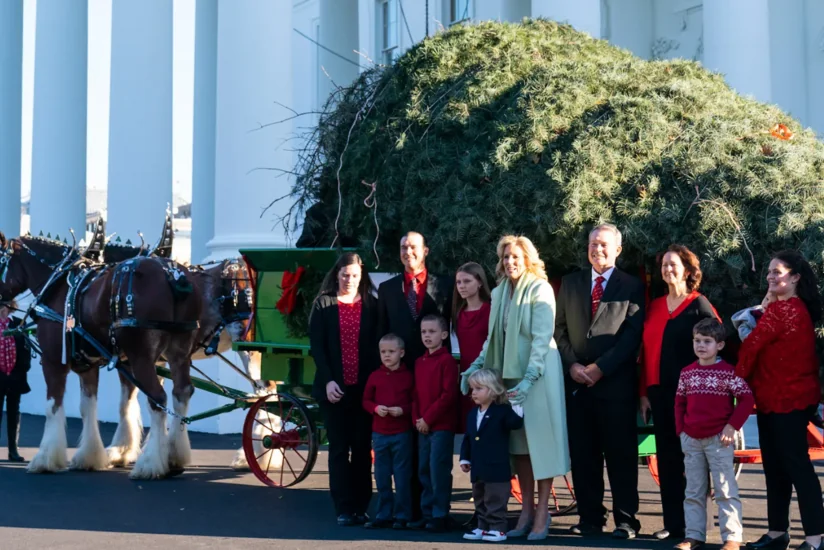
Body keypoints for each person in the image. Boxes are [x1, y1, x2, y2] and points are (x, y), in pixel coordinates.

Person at [461, 235, 570, 541]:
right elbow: (493, 339)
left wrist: (530, 377)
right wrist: (475, 367)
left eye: (516, 257)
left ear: (528, 259)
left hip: (538, 376)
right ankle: (526, 510)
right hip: (508, 378)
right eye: (506, 257)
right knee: (519, 447)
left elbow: (541, 338)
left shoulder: (540, 288)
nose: (510, 262)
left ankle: (542, 513)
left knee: (541, 445)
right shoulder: (498, 292)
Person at [554, 223, 645, 539]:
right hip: (578, 385)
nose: (598, 249)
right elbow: (560, 330)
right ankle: (590, 518)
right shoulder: (570, 282)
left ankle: (626, 521)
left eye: (604, 244)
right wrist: (574, 365)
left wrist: (599, 368)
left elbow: (631, 337)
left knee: (621, 456)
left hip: (615, 385)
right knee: (583, 456)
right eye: (593, 243)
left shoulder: (631, 285)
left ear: (618, 250)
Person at [735, 250, 824, 550]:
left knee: (796, 467)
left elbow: (750, 347)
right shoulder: (788, 308)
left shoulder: (785, 309)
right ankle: (777, 532)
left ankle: (815, 537)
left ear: (795, 277)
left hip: (788, 399)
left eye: (778, 272)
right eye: (769, 272)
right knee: (775, 467)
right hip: (774, 397)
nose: (771, 276)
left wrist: (735, 382)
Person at [639, 245, 720, 540]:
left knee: (693, 461)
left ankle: (695, 526)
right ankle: (674, 525)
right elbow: (646, 352)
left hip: (692, 397)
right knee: (668, 460)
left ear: (687, 270)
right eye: (663, 265)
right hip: (659, 394)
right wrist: (644, 392)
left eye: (673, 264)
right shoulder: (655, 306)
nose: (667, 269)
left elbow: (718, 344)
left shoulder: (699, 305)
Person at [309, 253, 380, 526]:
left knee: (362, 449)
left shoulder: (372, 306)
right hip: (333, 390)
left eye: (354, 276)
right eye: (344, 275)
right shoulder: (323, 304)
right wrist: (328, 381)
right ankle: (343, 507)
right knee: (339, 449)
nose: (349, 280)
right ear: (336, 275)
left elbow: (376, 348)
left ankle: (361, 507)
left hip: (362, 391)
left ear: (361, 277)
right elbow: (318, 348)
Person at [674, 318, 753, 550]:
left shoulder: (729, 372)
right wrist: (681, 431)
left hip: (719, 439)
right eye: (697, 341)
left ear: (719, 345)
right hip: (691, 438)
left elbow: (747, 399)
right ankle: (694, 535)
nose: (701, 346)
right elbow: (679, 402)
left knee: (725, 489)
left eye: (707, 341)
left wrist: (732, 426)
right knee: (694, 490)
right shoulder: (687, 373)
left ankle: (732, 538)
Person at [460, 368, 524, 543]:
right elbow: (468, 438)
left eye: (479, 389)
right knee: (480, 498)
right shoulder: (473, 413)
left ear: (494, 390)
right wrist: (464, 458)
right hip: (478, 467)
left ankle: (497, 528)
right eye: (473, 389)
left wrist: (517, 404)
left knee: (496, 499)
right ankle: (482, 526)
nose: (474, 393)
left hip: (497, 467)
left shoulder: (502, 411)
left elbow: (515, 423)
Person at [411, 314, 460, 532]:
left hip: (440, 426)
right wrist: (417, 420)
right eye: (423, 332)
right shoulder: (419, 362)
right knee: (423, 469)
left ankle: (440, 513)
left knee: (438, 469)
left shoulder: (447, 361)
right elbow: (415, 395)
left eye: (432, 332)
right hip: (422, 426)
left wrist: (428, 419)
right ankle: (427, 512)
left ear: (443, 335)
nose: (427, 336)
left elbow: (448, 395)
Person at [377, 232, 453, 369]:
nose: (408, 252)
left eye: (413, 247)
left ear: (425, 251)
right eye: (403, 248)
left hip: (436, 367)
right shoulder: (386, 289)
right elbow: (382, 329)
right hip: (399, 368)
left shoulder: (445, 285)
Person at [362, 334, 415, 530]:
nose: (387, 355)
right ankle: (383, 514)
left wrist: (403, 410)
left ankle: (402, 515)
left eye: (391, 352)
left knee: (402, 476)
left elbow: (414, 402)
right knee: (382, 476)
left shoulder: (408, 376)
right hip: (380, 434)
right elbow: (366, 400)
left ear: (401, 353)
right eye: (383, 352)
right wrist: (375, 408)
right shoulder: (375, 376)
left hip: (402, 433)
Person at [453, 262, 492, 432]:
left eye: (467, 281)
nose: (461, 286)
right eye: (459, 282)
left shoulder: (490, 310)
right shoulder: (458, 313)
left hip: (486, 376)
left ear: (480, 282)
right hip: (465, 377)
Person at [0, 301, 30, 462]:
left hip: (15, 376)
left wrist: (20, 371)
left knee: (14, 414)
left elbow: (26, 350)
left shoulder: (18, 325)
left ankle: (13, 451)